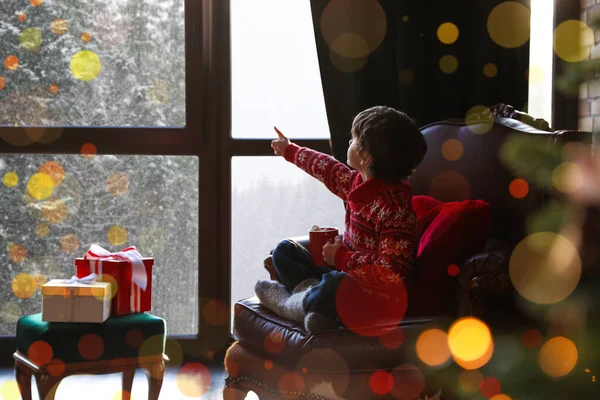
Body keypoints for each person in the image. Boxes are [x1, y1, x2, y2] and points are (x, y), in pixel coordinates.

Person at [254, 106, 427, 333]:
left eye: (354, 139)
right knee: (285, 251)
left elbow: (393, 274)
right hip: (345, 275)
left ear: (366, 157)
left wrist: (343, 257)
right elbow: (325, 168)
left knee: (336, 283)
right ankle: (316, 309)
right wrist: (289, 150)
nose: (349, 142)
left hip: (373, 298)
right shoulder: (355, 183)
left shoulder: (395, 210)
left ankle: (293, 306)